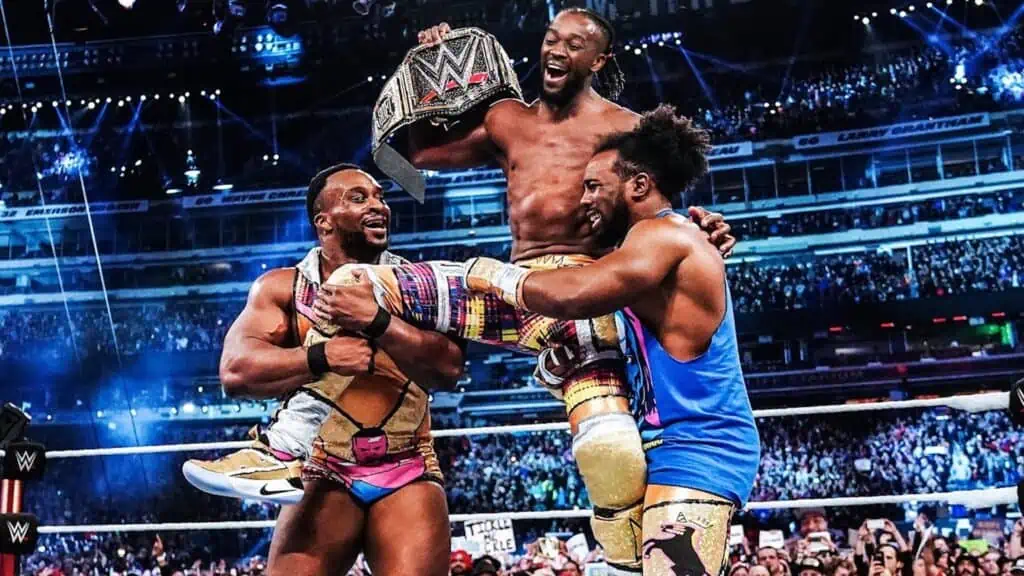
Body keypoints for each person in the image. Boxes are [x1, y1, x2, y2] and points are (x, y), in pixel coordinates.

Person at [326, 10, 734, 573]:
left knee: (609, 447)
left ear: (599, 61)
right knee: (355, 284)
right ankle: (296, 439)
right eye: (550, 38)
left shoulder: (626, 130)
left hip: (584, 292)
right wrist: (427, 67)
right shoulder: (506, 119)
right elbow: (418, 156)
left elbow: (657, 200)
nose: (557, 49)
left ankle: (619, 561)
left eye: (575, 42)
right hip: (513, 289)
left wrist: (702, 226)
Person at [458, 105, 760, 575]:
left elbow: (574, 294)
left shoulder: (664, 235)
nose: (584, 201)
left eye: (594, 186)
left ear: (638, 185)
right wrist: (556, 366)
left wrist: (494, 276)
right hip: (661, 442)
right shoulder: (644, 248)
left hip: (701, 443)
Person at [186, 164, 465, 576]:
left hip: (407, 464)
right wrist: (321, 357)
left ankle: (273, 448)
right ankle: (275, 449)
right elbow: (235, 372)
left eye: (380, 197)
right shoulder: (283, 288)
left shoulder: (416, 283)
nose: (378, 206)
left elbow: (449, 370)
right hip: (323, 466)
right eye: (358, 198)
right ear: (324, 221)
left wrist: (378, 322)